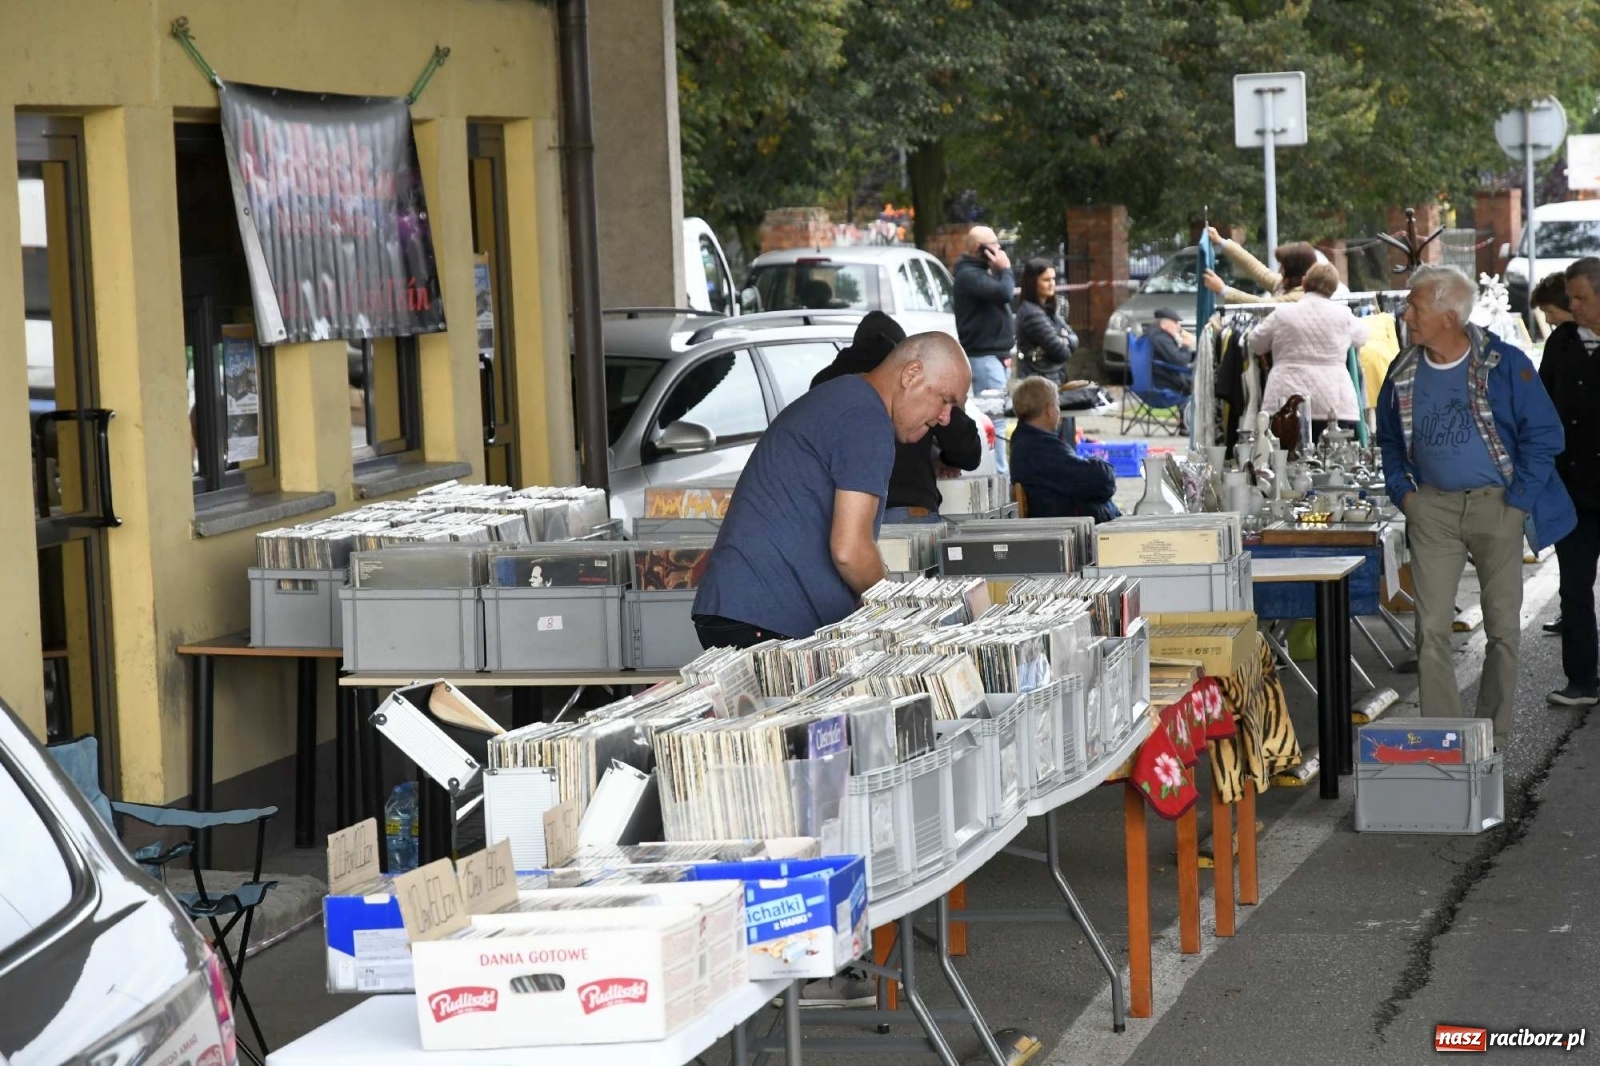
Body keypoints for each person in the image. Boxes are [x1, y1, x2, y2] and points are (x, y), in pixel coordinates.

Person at [1377, 265, 1573, 744]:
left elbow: (1546, 435)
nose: (1405, 314)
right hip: (1433, 510)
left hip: (1497, 505)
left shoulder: (1504, 363)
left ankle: (1493, 735)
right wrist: (1407, 497)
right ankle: (1447, 740)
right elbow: (1388, 443)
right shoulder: (1403, 371)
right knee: (1431, 631)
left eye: (1415, 305)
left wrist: (1518, 501)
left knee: (1504, 629)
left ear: (1448, 314)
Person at [692, 333, 972, 649]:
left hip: (746, 612)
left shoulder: (847, 400)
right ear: (911, 374)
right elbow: (850, 550)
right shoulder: (867, 419)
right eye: (945, 400)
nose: (945, 418)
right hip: (761, 619)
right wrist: (897, 612)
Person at [810, 311, 982, 524]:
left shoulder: (824, 383)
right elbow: (968, 451)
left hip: (839, 513)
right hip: (909, 505)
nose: (944, 417)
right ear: (908, 369)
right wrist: (946, 457)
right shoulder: (919, 381)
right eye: (945, 401)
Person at [1537, 258, 1600, 702]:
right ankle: (1581, 679)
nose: (1572, 306)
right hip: (1573, 489)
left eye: (1581, 298)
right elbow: (1541, 407)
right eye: (1571, 298)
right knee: (1575, 586)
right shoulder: (1559, 343)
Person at [1251, 262, 1369, 442]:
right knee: (1334, 460)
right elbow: (1362, 337)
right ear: (1333, 289)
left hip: (1287, 397)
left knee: (1286, 459)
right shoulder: (1344, 315)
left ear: (1304, 282)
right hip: (1334, 399)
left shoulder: (1282, 314)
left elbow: (1256, 343)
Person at [1532, 272, 1577, 636]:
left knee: (1573, 551)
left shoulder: (1561, 342)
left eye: (1549, 310)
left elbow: (1542, 399)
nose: (1547, 319)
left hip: (1569, 462)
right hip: (1572, 461)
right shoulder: (1564, 339)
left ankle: (1574, 612)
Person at [1008, 377, 1120, 522]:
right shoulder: (1040, 449)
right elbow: (1101, 481)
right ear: (1049, 410)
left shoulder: (1028, 440)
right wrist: (1104, 468)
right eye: (1057, 405)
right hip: (1069, 528)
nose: (1059, 412)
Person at [952, 225, 1015, 395]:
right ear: (978, 247)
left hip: (996, 355)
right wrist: (1005, 269)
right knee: (996, 416)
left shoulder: (981, 271)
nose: (999, 248)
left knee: (1000, 413)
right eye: (993, 244)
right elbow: (1004, 293)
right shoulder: (968, 275)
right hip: (985, 356)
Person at [1201, 227, 1319, 305]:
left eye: (1283, 266)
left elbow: (1263, 306)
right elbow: (1255, 268)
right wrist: (1221, 242)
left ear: (1294, 271)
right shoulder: (1286, 285)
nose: (1280, 269)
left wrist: (1223, 289)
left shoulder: (1300, 297)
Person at [1014, 258, 1080, 387]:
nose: (1052, 284)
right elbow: (1062, 352)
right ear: (1033, 282)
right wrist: (1063, 339)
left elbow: (1075, 338)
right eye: (1046, 280)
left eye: (1053, 279)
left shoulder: (1048, 308)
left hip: (1052, 376)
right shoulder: (1031, 313)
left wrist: (1064, 339)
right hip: (1038, 380)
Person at [1148, 307, 1197, 396]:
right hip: (1166, 384)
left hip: (1157, 380)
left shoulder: (1152, 335)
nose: (1179, 327)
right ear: (1164, 324)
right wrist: (1186, 346)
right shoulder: (1161, 339)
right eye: (1175, 323)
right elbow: (1180, 361)